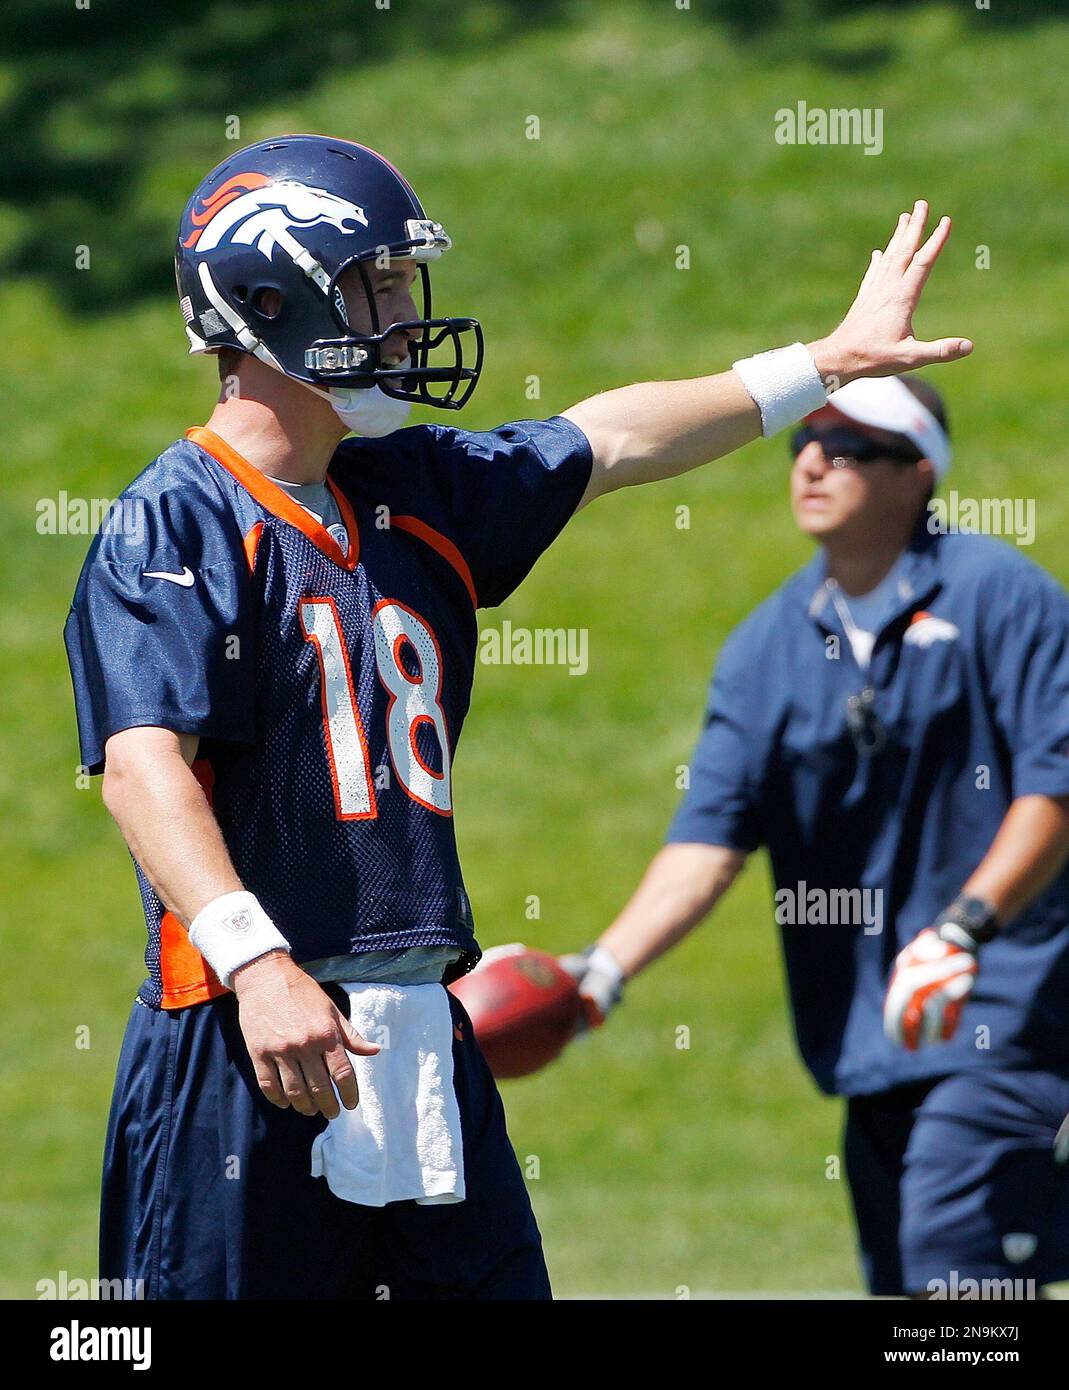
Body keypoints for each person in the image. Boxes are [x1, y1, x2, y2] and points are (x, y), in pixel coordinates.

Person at [64, 131, 968, 1299]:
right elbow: (143, 766)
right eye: (374, 284)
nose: (403, 312)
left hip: (417, 1028)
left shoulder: (408, 487)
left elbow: (611, 440)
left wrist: (824, 362)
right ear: (270, 301)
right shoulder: (173, 521)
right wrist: (257, 963)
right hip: (249, 1037)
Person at [567, 374, 1069, 1297]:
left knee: (947, 1269)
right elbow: (707, 840)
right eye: (805, 442)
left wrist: (962, 929)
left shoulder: (1003, 597)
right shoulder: (766, 647)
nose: (812, 460)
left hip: (1006, 1007)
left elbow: (1054, 790)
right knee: (908, 1280)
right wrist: (600, 973)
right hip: (864, 1033)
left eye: (849, 447)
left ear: (917, 473)